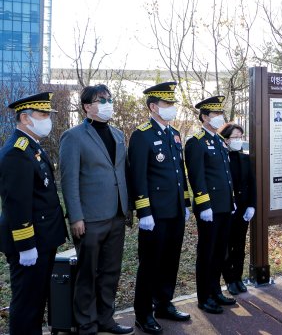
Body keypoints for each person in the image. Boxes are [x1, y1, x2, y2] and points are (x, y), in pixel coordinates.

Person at [59, 85, 133, 335]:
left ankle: (106, 319)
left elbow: (121, 172)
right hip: (89, 219)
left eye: (110, 99)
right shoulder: (74, 136)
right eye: (102, 100)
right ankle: (86, 324)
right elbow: (69, 181)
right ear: (87, 106)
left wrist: (128, 209)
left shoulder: (118, 134)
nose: (108, 103)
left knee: (111, 272)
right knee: (88, 273)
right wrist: (76, 216)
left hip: (116, 215)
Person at [0, 92, 67, 335]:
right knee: (27, 304)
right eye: (43, 114)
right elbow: (16, 204)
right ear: (26, 119)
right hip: (30, 243)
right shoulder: (16, 152)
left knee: (36, 300)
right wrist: (26, 245)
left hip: (43, 239)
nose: (48, 119)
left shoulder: (31, 146)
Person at [129, 82, 192, 334]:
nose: (171, 108)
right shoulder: (141, 134)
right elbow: (138, 176)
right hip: (154, 215)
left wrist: (185, 203)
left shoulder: (173, 133)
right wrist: (144, 211)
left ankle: (163, 303)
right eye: (167, 104)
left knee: (170, 261)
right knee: (150, 264)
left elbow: (180, 172)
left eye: (172, 103)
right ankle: (143, 313)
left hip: (174, 210)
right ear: (153, 106)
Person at [184, 96, 236, 314]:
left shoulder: (219, 140)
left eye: (220, 114)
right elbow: (197, 177)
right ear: (204, 117)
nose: (219, 118)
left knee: (219, 252)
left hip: (224, 206)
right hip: (209, 208)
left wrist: (232, 200)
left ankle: (216, 291)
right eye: (215, 114)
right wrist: (204, 205)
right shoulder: (195, 141)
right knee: (207, 252)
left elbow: (225, 175)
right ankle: (204, 297)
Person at [219, 123, 256, 295]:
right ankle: (229, 280)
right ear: (226, 139)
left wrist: (252, 205)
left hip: (242, 209)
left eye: (240, 137)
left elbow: (251, 183)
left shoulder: (244, 158)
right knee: (226, 245)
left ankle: (238, 277)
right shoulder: (221, 157)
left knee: (239, 245)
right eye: (235, 137)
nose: (238, 140)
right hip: (227, 209)